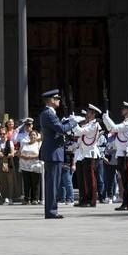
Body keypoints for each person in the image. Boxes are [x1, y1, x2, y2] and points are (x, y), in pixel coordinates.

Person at [38, 89, 78, 219]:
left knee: (53, 183)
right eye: (57, 98)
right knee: (52, 184)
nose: (59, 101)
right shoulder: (49, 113)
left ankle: (52, 210)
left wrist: (67, 121)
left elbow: (59, 126)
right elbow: (61, 129)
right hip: (53, 152)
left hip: (53, 151)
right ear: (51, 100)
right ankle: (51, 211)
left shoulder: (49, 113)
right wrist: (74, 121)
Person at [102, 102, 128, 211]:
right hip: (120, 152)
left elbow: (114, 127)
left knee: (127, 179)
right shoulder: (126, 122)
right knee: (124, 180)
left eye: (124, 108)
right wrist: (106, 119)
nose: (122, 109)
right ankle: (126, 202)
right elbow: (112, 129)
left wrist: (107, 118)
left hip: (125, 153)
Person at [72, 104, 102, 207]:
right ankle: (84, 199)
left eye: (89, 112)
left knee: (90, 179)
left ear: (93, 114)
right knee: (82, 179)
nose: (87, 114)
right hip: (83, 154)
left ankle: (92, 200)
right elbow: (77, 134)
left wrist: (74, 122)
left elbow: (79, 131)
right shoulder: (88, 124)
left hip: (90, 154)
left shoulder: (95, 125)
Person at [19, 130, 42, 205]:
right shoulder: (24, 144)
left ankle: (35, 199)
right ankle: (27, 199)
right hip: (25, 166)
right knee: (26, 183)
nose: (33, 136)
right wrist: (23, 156)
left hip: (35, 166)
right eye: (31, 135)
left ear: (36, 136)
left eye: (34, 135)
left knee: (35, 183)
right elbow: (19, 153)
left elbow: (40, 155)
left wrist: (29, 157)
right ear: (29, 136)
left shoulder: (38, 144)